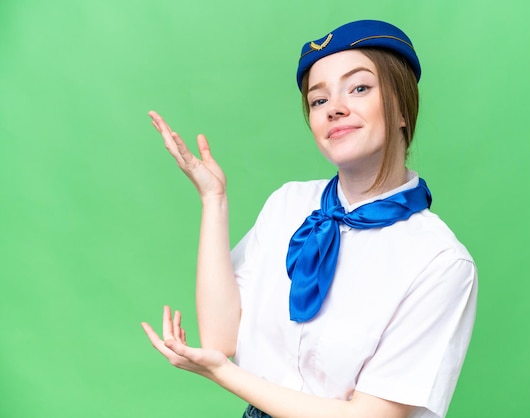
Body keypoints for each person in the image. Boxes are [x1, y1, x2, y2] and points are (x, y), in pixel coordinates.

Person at [142, 19, 478, 418]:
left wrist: (221, 373)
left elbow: (371, 416)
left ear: (402, 109)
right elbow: (220, 336)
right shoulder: (289, 203)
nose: (335, 108)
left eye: (359, 88)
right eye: (319, 100)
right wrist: (213, 200)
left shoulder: (440, 261)